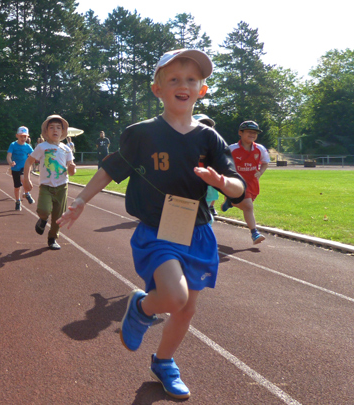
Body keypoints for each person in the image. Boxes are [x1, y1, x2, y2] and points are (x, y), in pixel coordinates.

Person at [57, 49, 246, 399]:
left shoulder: (210, 138)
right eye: (173, 79)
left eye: (191, 79)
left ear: (202, 89)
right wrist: (81, 200)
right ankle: (141, 307)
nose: (183, 85)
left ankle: (163, 361)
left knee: (187, 309)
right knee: (175, 297)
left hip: (199, 231)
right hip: (158, 230)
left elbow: (238, 186)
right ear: (157, 89)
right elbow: (111, 168)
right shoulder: (141, 133)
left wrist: (221, 182)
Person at [21, 114, 76, 250]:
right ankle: (43, 219)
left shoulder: (66, 149)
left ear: (63, 132)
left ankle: (52, 238)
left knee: (58, 217)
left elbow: (71, 170)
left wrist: (72, 168)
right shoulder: (42, 147)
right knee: (43, 210)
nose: (55, 130)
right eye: (51, 128)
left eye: (58, 127)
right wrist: (26, 179)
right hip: (46, 186)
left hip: (62, 187)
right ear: (46, 131)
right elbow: (29, 162)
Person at [221, 120, 270, 244]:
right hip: (238, 183)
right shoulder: (232, 149)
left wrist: (260, 172)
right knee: (248, 206)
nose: (252, 135)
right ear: (240, 133)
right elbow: (223, 163)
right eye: (249, 132)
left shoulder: (260, 149)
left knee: (247, 206)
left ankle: (231, 203)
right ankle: (254, 233)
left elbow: (265, 163)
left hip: (253, 183)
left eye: (255, 133)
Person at [193, 114, 219, 220]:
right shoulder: (181, 145)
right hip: (187, 190)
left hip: (208, 189)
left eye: (207, 126)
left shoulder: (215, 146)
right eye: (200, 125)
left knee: (206, 219)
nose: (204, 129)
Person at [6, 126, 35, 211]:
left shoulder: (28, 146)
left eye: (25, 136)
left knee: (24, 179)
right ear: (17, 136)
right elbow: (8, 156)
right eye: (21, 136)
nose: (23, 138)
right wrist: (10, 162)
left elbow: (34, 155)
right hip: (15, 168)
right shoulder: (13, 145)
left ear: (27, 137)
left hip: (24, 167)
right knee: (17, 187)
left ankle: (27, 193)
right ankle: (18, 201)